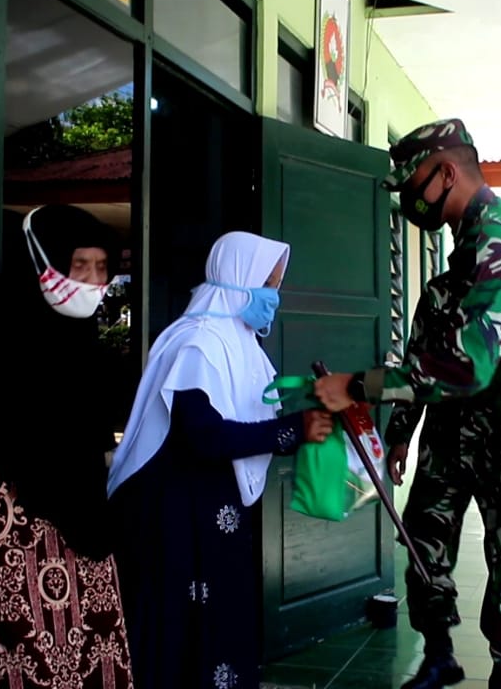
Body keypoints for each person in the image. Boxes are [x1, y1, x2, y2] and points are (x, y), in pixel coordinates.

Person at [314, 119, 501, 688]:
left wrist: (357, 385)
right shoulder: (468, 256)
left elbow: (465, 365)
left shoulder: (498, 240)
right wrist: (401, 430)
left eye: (412, 185)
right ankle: (440, 656)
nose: (408, 201)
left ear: (445, 173)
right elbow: (434, 351)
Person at [108, 231, 334, 689]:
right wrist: (293, 430)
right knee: (184, 636)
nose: (273, 298)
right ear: (238, 280)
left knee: (221, 626)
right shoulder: (198, 343)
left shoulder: (240, 344)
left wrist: (310, 409)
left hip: (214, 513)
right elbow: (204, 436)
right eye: (266, 285)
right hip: (178, 517)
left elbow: (249, 407)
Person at [0, 204, 135, 689]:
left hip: (85, 563)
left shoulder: (92, 357)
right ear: (39, 262)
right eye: (78, 265)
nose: (90, 281)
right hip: (5, 571)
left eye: (101, 269)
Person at [384, 289, 493, 689]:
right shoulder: (438, 294)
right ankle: (438, 654)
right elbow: (416, 364)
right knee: (423, 545)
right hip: (443, 446)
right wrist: (401, 435)